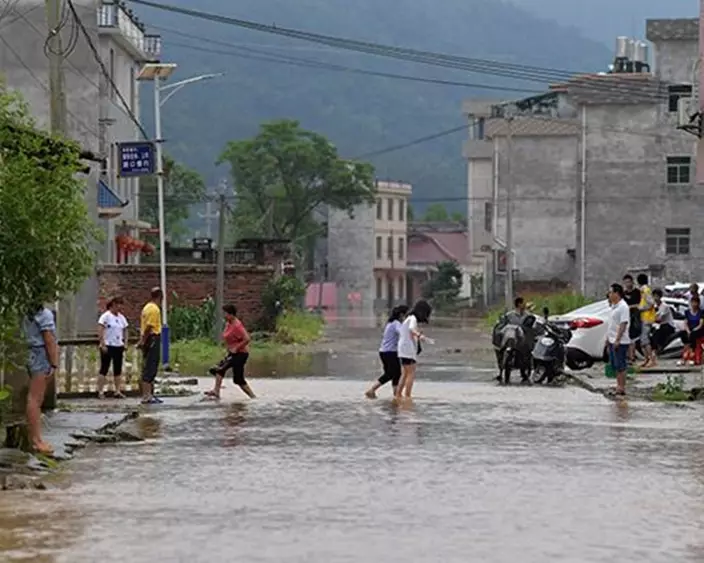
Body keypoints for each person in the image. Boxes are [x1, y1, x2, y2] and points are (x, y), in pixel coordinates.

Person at [22, 304, 59, 455]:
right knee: (35, 399)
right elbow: (49, 339)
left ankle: (35, 438)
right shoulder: (44, 314)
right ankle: (36, 440)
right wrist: (54, 363)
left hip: (31, 352)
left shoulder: (26, 311)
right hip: (40, 354)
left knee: (35, 398)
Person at [205, 304, 256, 399]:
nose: (224, 316)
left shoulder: (237, 325)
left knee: (238, 380)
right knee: (219, 369)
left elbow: (247, 338)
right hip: (232, 354)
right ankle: (216, 391)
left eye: (225, 314)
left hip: (240, 354)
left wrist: (236, 348)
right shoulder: (229, 323)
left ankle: (253, 397)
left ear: (231, 314)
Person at [365, 305, 409, 399]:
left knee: (396, 373)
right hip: (390, 352)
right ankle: (372, 390)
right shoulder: (396, 324)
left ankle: (396, 394)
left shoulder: (390, 323)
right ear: (401, 315)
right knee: (391, 374)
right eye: (406, 316)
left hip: (385, 352)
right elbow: (403, 333)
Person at [395, 300, 433, 400]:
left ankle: (398, 395)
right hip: (407, 349)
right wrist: (420, 336)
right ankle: (408, 396)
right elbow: (412, 329)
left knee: (404, 373)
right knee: (411, 373)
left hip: (402, 349)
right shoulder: (413, 318)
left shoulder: (409, 318)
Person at [97, 297, 129, 399]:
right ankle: (100, 391)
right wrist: (102, 343)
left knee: (117, 369)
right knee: (104, 368)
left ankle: (117, 390)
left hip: (118, 345)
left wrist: (125, 342)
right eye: (118, 304)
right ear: (113, 305)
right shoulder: (105, 316)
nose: (120, 307)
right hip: (108, 345)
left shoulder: (121, 317)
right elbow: (100, 329)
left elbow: (125, 329)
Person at [138, 287, 163, 405]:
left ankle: (150, 394)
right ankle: (146, 396)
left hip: (149, 338)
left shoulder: (146, 307)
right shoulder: (154, 309)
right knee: (150, 366)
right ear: (161, 297)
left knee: (150, 366)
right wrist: (143, 340)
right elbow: (149, 327)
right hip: (152, 338)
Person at [607, 283, 630, 396]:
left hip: (620, 341)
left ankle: (622, 387)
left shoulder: (623, 307)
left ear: (617, 293)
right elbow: (612, 324)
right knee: (615, 365)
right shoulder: (614, 306)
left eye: (611, 292)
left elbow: (623, 324)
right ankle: (618, 385)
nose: (609, 295)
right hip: (612, 339)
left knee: (621, 365)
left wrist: (617, 339)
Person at [650, 288, 675, 366]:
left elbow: (659, 319)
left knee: (658, 332)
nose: (655, 298)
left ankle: (657, 350)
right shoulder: (653, 306)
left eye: (657, 296)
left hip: (668, 325)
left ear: (660, 297)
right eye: (654, 296)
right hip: (659, 325)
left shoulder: (664, 306)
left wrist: (651, 318)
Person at [678, 294, 704, 366]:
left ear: (698, 303)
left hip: (698, 329)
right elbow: (685, 323)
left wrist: (694, 330)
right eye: (693, 302)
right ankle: (686, 349)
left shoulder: (701, 312)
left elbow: (701, 324)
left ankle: (692, 351)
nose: (694, 304)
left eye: (696, 302)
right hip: (690, 328)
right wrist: (688, 330)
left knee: (693, 334)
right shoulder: (687, 312)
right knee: (682, 333)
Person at [637, 274, 656, 368]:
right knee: (643, 341)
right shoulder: (644, 290)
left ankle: (651, 360)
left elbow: (651, 303)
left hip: (647, 318)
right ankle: (647, 359)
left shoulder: (645, 290)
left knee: (645, 340)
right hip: (644, 318)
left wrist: (641, 308)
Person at [622, 274, 641, 364]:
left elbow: (639, 305)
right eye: (625, 282)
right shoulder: (623, 294)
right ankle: (628, 356)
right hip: (626, 317)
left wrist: (630, 307)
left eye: (629, 282)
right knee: (626, 337)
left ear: (632, 282)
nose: (627, 284)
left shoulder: (637, 292)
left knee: (633, 337)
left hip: (635, 317)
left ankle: (632, 357)